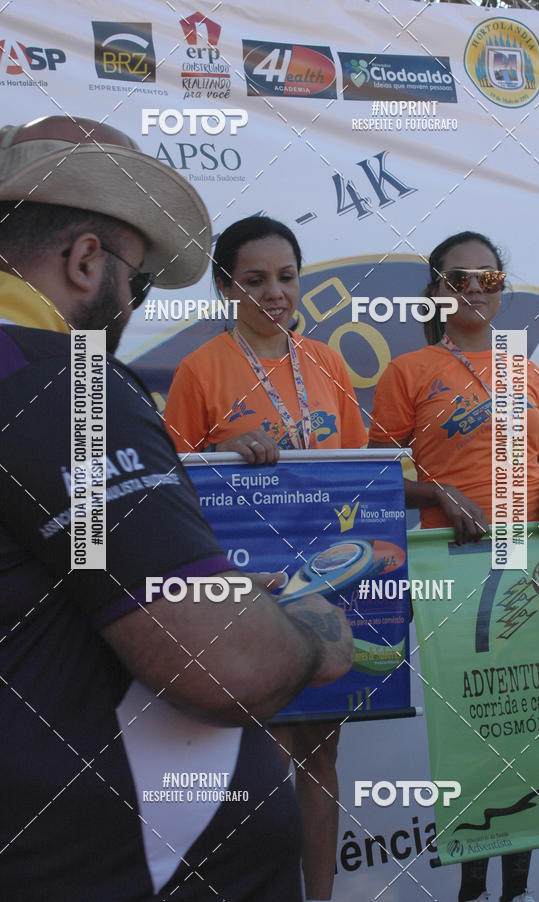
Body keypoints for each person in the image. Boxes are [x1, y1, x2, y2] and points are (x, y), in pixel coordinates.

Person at [0, 117, 354, 902]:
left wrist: (198, 591)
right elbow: (230, 666)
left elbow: (80, 566)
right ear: (85, 261)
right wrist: (309, 628)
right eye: (140, 282)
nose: (133, 305)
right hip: (121, 864)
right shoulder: (67, 382)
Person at [164, 215, 368, 901]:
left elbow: (358, 471)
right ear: (226, 286)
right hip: (248, 586)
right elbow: (170, 481)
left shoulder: (328, 362)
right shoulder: (200, 368)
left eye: (286, 277)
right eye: (254, 280)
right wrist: (220, 454)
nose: (274, 293)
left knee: (322, 751)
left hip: (325, 581)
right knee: (265, 760)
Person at [369, 231, 539, 902]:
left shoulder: (525, 370)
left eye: (489, 277)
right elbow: (372, 477)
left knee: (531, 730)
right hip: (455, 573)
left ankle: (516, 891)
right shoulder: (409, 371)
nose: (476, 290)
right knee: (476, 734)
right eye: (459, 279)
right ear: (435, 292)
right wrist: (435, 493)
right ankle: (471, 887)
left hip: (535, 570)